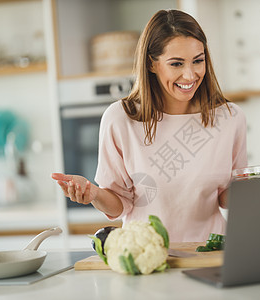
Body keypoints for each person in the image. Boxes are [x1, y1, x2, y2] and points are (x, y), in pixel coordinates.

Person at [52, 9, 247, 242]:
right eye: (176, 64)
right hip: (148, 254)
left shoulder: (229, 117)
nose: (190, 74)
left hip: (212, 252)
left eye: (198, 60)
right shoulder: (120, 119)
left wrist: (257, 188)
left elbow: (226, 197)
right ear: (152, 64)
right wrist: (94, 194)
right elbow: (119, 206)